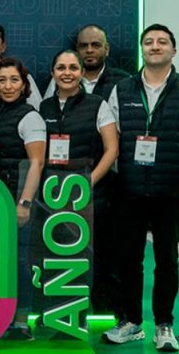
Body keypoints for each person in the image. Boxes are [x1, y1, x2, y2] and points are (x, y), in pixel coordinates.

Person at [103, 24, 179, 351]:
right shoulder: (122, 89)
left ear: (173, 50)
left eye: (162, 42)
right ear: (142, 49)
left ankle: (164, 325)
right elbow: (112, 139)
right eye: (148, 42)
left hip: (171, 191)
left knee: (167, 261)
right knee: (128, 260)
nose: (155, 46)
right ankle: (131, 322)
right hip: (130, 189)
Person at [39, 50, 119, 325]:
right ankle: (61, 317)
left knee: (95, 259)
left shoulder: (98, 105)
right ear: (53, 73)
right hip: (53, 199)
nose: (67, 73)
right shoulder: (43, 108)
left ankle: (99, 317)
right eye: (61, 67)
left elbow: (112, 150)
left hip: (91, 198)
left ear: (82, 73)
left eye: (73, 68)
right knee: (58, 257)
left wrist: (87, 183)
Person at [0, 57, 46, 340]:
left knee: (19, 261)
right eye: (1, 80)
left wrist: (24, 203)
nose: (8, 86)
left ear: (24, 85)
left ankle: (21, 320)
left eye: (14, 80)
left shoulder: (30, 117)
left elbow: (36, 163)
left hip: (16, 201)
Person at [44, 24, 130, 99]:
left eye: (95, 45)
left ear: (106, 49)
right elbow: (47, 109)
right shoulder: (61, 78)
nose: (89, 50)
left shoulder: (123, 80)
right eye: (83, 46)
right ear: (77, 50)